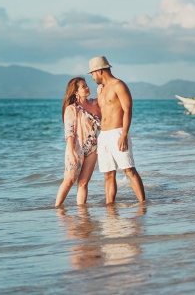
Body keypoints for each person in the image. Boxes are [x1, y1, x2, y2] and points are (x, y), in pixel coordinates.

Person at [88, 56, 146, 204]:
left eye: (93, 74)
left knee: (128, 169)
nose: (92, 77)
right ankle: (110, 207)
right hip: (104, 135)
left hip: (118, 133)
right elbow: (103, 111)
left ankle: (143, 204)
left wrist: (124, 134)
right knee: (108, 174)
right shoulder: (100, 89)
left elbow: (128, 110)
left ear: (99, 71)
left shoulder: (119, 85)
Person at [55, 77, 101, 207]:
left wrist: (100, 89)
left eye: (86, 85)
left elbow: (107, 100)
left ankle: (82, 213)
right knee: (69, 180)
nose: (87, 87)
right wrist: (71, 152)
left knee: (84, 182)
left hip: (93, 148)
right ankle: (57, 208)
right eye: (83, 86)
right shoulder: (72, 109)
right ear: (75, 92)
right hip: (76, 148)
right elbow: (69, 132)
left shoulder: (94, 104)